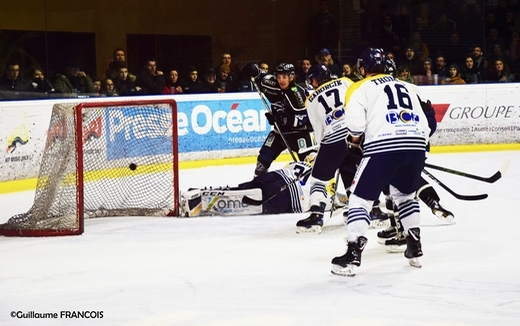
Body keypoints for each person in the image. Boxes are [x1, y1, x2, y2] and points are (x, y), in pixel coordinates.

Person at [330, 47, 435, 276]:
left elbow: (355, 126)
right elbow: (427, 126)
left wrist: (355, 140)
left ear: (363, 68)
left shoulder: (361, 87)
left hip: (384, 148)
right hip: (416, 146)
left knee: (359, 199)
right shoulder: (408, 86)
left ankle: (352, 254)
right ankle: (414, 246)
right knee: (405, 196)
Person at [294, 64, 357, 234]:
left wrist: (325, 155)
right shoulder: (345, 82)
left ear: (315, 80)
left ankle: (316, 215)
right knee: (351, 174)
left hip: (333, 139)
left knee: (318, 179)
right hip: (354, 136)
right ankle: (369, 211)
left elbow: (319, 131)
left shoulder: (312, 99)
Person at [179, 158, 348, 217]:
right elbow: (331, 199)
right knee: (245, 202)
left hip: (277, 176)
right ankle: (200, 204)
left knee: (239, 189)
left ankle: (199, 192)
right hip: (289, 196)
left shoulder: (300, 164)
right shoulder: (326, 179)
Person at [242, 62, 316, 177]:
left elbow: (304, 118)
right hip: (279, 133)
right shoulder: (272, 84)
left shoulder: (297, 93)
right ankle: (258, 183)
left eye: (284, 77)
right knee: (262, 160)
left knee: (310, 163)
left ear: (291, 77)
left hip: (300, 133)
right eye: (279, 76)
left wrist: (282, 119)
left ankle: (315, 187)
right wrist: (254, 70)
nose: (281, 80)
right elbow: (260, 77)